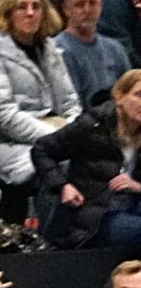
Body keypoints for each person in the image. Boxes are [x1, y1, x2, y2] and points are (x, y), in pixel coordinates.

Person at [0, 0, 80, 193]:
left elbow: (70, 102)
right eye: (21, 7)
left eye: (36, 7)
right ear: (8, 13)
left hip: (53, 134)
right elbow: (1, 115)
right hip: (7, 143)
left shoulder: (50, 49)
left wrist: (72, 131)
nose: (30, 13)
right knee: (59, 169)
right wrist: (55, 137)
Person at [33, 67, 141, 249]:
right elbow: (42, 149)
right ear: (119, 96)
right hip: (96, 214)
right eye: (139, 95)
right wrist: (62, 186)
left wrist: (137, 186)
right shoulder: (92, 125)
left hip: (132, 204)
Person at [56, 0, 131, 107]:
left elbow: (129, 92)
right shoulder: (57, 50)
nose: (87, 10)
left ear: (100, 6)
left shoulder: (115, 49)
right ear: (66, 9)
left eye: (92, 3)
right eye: (79, 4)